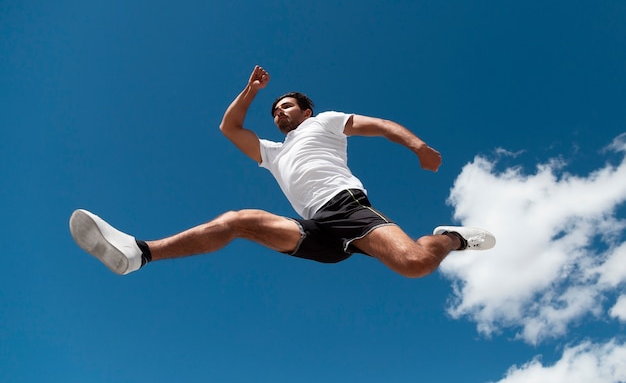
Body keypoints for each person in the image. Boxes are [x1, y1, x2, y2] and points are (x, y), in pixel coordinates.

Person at [69, 65, 495, 277]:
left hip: (346, 208)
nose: (278, 113)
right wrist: (252, 91)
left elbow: (379, 125)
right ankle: (140, 253)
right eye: (274, 110)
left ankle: (450, 237)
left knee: (415, 263)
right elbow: (230, 128)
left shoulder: (324, 122)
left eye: (285, 106)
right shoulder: (272, 152)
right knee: (240, 221)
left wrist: (417, 146)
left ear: (305, 110)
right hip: (317, 230)